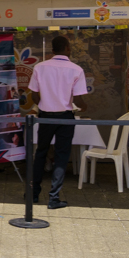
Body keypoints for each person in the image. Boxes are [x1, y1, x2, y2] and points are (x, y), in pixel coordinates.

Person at [28, 36, 88, 209]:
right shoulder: (76, 69)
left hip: (45, 115)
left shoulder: (39, 67)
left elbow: (33, 94)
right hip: (65, 117)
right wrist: (83, 107)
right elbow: (77, 99)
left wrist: (44, 104)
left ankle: (33, 194)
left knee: (40, 153)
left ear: (52, 50)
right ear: (68, 48)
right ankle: (54, 198)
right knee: (61, 156)